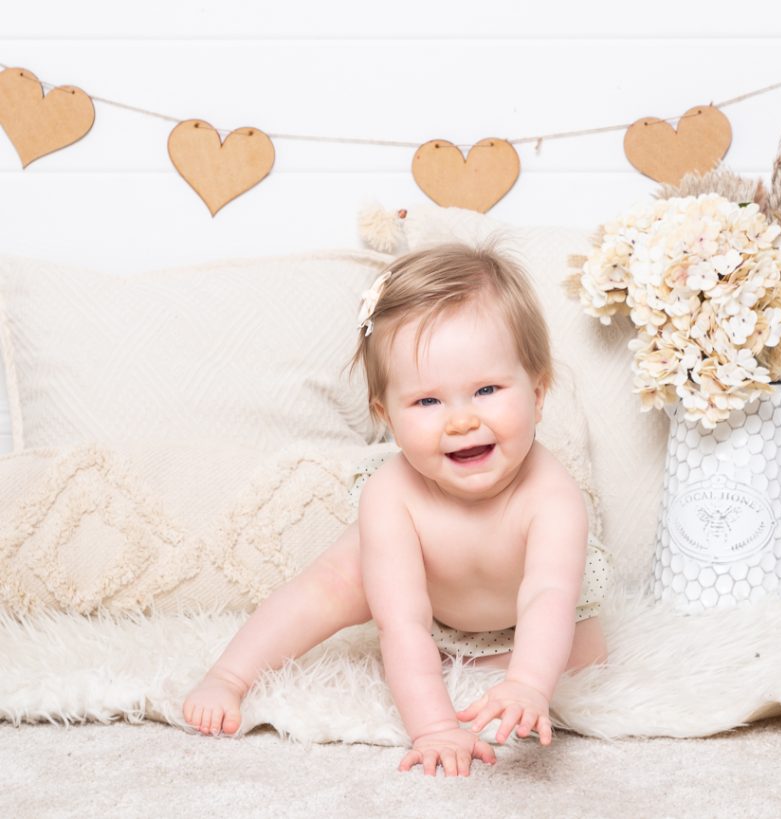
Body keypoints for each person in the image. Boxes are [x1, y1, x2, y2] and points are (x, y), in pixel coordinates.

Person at [182, 240, 612, 777]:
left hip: (517, 609)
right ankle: (230, 674)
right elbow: (402, 623)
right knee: (336, 581)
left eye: (486, 389)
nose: (460, 421)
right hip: (418, 597)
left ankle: (479, 662)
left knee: (584, 651)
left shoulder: (552, 495)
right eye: (428, 401)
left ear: (538, 392)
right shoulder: (393, 492)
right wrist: (434, 727)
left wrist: (526, 684)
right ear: (386, 415)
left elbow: (548, 594)